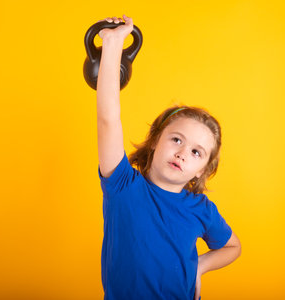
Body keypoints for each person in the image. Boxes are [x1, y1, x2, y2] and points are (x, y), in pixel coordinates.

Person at [95, 14, 242, 300]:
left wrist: (201, 265)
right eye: (176, 139)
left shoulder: (201, 208)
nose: (182, 153)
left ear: (201, 170)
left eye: (196, 152)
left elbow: (233, 247)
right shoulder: (123, 185)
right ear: (154, 142)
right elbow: (108, 120)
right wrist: (113, 45)